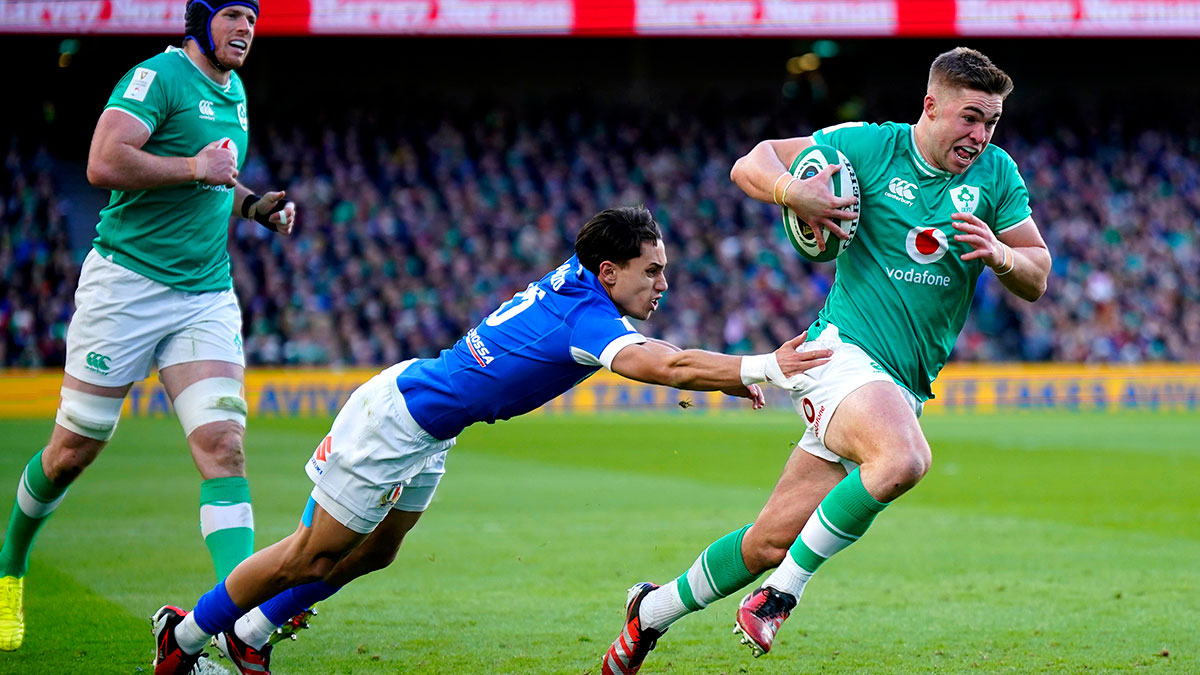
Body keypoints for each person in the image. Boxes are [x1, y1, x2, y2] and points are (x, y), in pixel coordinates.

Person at [148, 205, 833, 675]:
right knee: (307, 556)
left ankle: (252, 632)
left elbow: (665, 354)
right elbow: (664, 361)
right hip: (397, 422)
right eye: (652, 270)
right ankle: (183, 637)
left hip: (428, 426)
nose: (663, 281)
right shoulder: (587, 316)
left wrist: (717, 378)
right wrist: (760, 366)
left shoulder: (579, 291)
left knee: (377, 551)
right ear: (609, 272)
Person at [600, 47, 1052, 675]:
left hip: (899, 381)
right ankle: (781, 595)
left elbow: (1038, 274)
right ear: (931, 107)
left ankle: (647, 615)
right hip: (839, 355)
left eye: (992, 122)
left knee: (767, 542)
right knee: (904, 458)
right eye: (970, 118)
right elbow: (750, 163)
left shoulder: (998, 175)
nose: (980, 136)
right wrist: (795, 194)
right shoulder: (867, 146)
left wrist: (1001, 255)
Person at [0, 0, 296, 655]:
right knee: (73, 449)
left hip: (205, 295)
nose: (246, 29)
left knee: (224, 446)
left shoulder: (235, 89)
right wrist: (196, 168)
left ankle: (240, 616)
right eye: (233, 17)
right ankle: (10, 561)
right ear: (200, 21)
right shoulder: (155, 78)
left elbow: (218, 178)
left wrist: (253, 205)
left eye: (253, 18)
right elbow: (103, 162)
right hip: (126, 287)